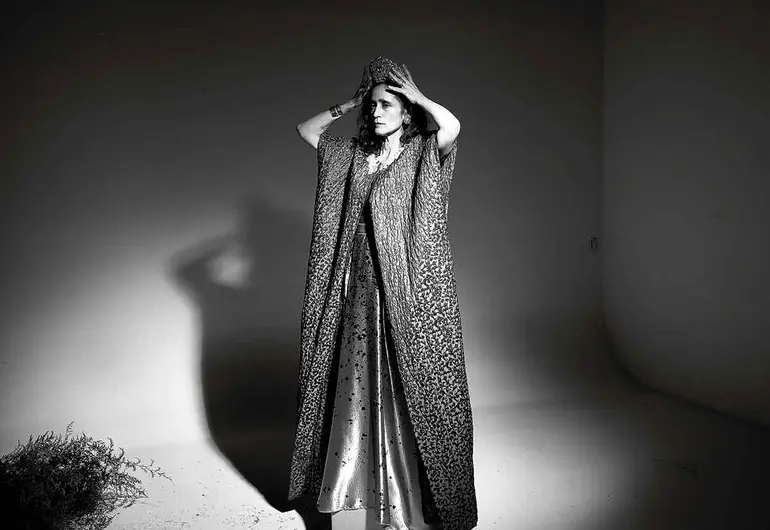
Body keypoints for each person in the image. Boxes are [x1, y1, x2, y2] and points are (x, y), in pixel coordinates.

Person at [288, 56, 477, 530]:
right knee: (357, 379)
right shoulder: (352, 154)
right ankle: (354, 487)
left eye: (385, 104)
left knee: (405, 380)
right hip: (359, 288)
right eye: (371, 105)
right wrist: (351, 101)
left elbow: (452, 125)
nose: (375, 112)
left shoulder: (421, 151)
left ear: (406, 111)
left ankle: (409, 496)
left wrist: (415, 95)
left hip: (407, 290)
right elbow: (307, 130)